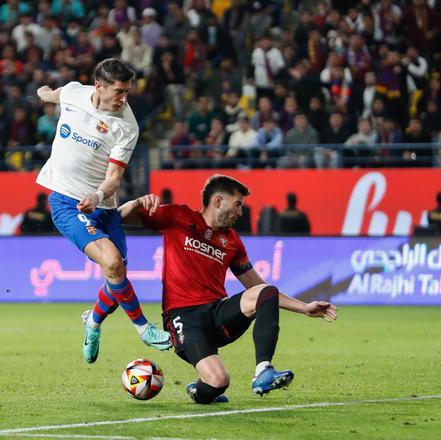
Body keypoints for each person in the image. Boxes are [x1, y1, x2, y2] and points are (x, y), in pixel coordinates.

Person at [119, 175, 337, 403]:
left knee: (266, 291)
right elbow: (119, 218)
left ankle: (263, 370)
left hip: (217, 314)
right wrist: (135, 203)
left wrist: (305, 308)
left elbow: (257, 286)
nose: (241, 213)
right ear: (217, 201)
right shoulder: (177, 216)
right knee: (218, 381)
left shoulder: (232, 241)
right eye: (238, 204)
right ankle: (199, 391)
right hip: (184, 318)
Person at [35, 58, 171, 364]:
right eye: (119, 91)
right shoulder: (73, 93)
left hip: (103, 205)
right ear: (99, 86)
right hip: (66, 201)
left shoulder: (127, 126)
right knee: (112, 262)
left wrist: (97, 196)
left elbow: (113, 179)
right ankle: (143, 328)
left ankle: (92, 322)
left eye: (127, 91)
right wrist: (42, 91)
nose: (124, 97)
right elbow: (53, 94)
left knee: (116, 275)